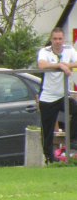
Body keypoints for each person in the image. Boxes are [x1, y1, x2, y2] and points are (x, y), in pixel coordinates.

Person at [37, 27, 77, 164]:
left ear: (63, 39)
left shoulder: (69, 49)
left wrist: (67, 65)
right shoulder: (45, 51)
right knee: (47, 132)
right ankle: (49, 159)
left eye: (60, 38)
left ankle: (71, 139)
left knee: (76, 109)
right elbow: (41, 65)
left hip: (62, 96)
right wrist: (60, 65)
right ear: (51, 40)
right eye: (55, 39)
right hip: (47, 98)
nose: (58, 42)